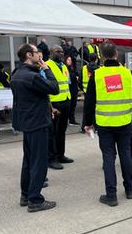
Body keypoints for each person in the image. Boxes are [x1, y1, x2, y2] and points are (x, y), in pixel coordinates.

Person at [83, 41, 132, 207]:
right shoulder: (127, 73)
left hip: (104, 124)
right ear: (116, 54)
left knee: (108, 158)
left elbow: (89, 102)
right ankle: (129, 189)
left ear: (102, 56)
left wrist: (88, 124)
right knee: (125, 155)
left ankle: (111, 195)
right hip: (124, 123)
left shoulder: (97, 75)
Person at [11, 43, 59, 212]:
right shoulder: (33, 76)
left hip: (26, 122)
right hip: (37, 122)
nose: (40, 55)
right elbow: (54, 88)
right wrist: (47, 69)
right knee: (39, 162)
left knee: (29, 160)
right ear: (29, 56)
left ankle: (25, 194)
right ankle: (35, 200)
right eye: (37, 52)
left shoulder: (17, 73)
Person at [46, 45, 74, 170]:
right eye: (58, 51)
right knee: (52, 132)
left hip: (65, 100)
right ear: (51, 53)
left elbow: (66, 83)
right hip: (55, 103)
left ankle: (61, 155)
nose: (61, 53)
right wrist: (50, 106)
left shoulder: (63, 66)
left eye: (62, 52)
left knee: (62, 130)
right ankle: (52, 158)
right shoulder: (47, 66)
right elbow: (45, 88)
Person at [65, 56, 80, 125]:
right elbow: (70, 77)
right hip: (69, 89)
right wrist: (75, 76)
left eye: (70, 60)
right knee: (69, 105)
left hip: (74, 88)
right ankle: (70, 119)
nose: (70, 61)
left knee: (73, 105)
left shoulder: (72, 68)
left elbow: (76, 74)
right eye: (68, 60)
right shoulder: (64, 68)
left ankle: (72, 119)